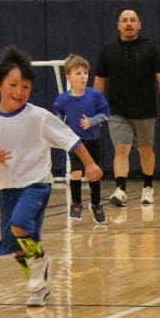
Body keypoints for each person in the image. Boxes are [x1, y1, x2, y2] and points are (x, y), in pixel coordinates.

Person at [0, 46, 103, 307]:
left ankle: (41, 264)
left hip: (36, 185)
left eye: (26, 87)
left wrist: (90, 165)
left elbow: (72, 140)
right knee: (17, 247)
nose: (19, 92)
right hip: (7, 187)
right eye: (13, 85)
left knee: (19, 224)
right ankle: (40, 287)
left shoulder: (38, 117)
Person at [93, 9, 160, 208]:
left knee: (145, 150)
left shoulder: (150, 49)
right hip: (117, 111)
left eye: (132, 20)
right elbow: (100, 80)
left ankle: (147, 187)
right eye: (124, 20)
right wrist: (95, 106)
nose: (129, 24)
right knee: (121, 149)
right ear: (118, 25)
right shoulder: (108, 51)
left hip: (145, 110)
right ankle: (121, 190)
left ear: (139, 24)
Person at [53, 53, 110, 224]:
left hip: (92, 140)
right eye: (78, 73)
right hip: (75, 143)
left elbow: (105, 114)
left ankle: (96, 204)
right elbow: (58, 117)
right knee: (76, 172)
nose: (83, 76)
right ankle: (76, 203)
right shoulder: (63, 99)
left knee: (94, 174)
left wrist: (92, 121)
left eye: (85, 73)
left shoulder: (94, 95)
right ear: (68, 76)